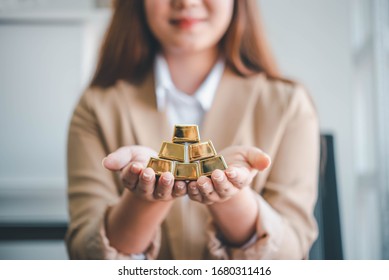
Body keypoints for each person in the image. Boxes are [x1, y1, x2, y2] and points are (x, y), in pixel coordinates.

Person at [66, 0, 319, 260]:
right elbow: (86, 255)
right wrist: (144, 200)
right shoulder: (96, 107)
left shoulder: (288, 104)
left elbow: (291, 254)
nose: (186, 2)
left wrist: (231, 197)